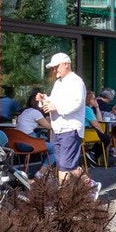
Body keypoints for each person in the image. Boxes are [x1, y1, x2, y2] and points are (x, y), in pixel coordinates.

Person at [40, 51, 88, 183]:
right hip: (58, 128)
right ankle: (90, 185)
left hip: (70, 127)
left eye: (57, 66)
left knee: (64, 168)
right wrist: (44, 99)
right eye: (53, 67)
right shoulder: (58, 83)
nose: (55, 70)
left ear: (66, 64)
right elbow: (53, 101)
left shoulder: (76, 81)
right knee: (67, 165)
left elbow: (77, 103)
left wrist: (56, 108)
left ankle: (64, 198)